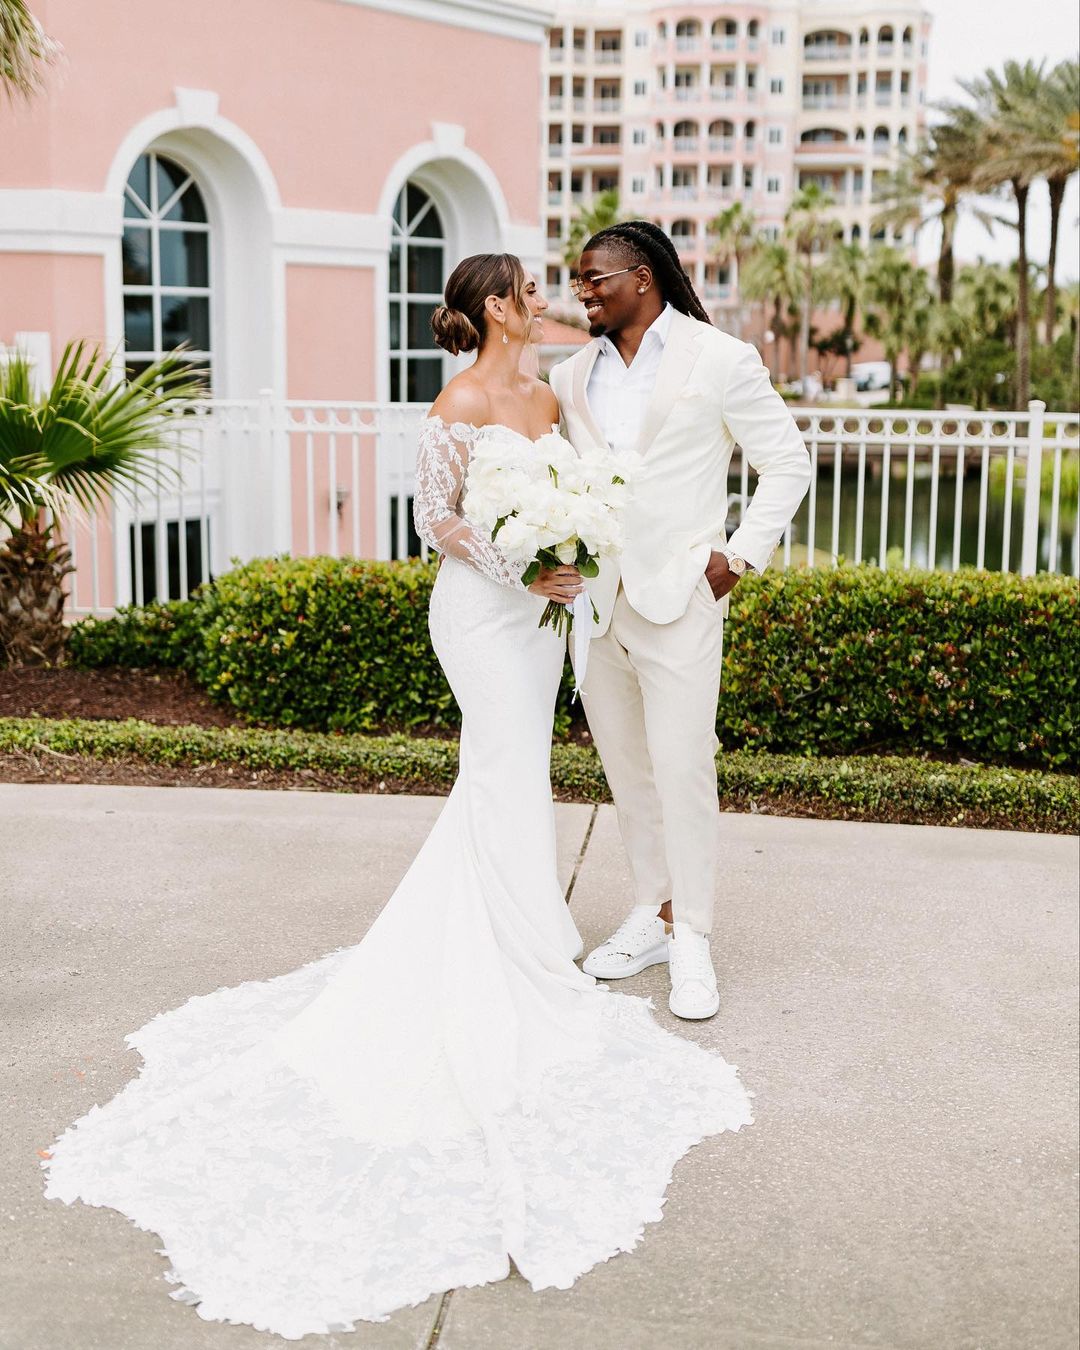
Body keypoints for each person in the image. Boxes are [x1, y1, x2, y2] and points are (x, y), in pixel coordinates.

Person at [43, 253, 752, 1339]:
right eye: (515, 289)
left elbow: (583, 487)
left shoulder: (553, 392)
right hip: (480, 614)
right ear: (481, 315)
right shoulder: (460, 399)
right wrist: (524, 561)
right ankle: (509, 953)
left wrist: (574, 552)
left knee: (517, 780)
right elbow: (442, 524)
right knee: (500, 768)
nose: (532, 299)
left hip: (538, 619)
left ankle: (526, 936)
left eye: (530, 287)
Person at [550, 222, 811, 1021]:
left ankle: (691, 932)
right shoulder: (567, 376)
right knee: (629, 774)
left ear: (642, 277)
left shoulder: (719, 358)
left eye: (595, 278)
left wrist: (734, 561)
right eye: (577, 281)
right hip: (596, 605)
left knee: (684, 766)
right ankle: (649, 914)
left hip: (681, 597)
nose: (583, 292)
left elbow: (787, 462)